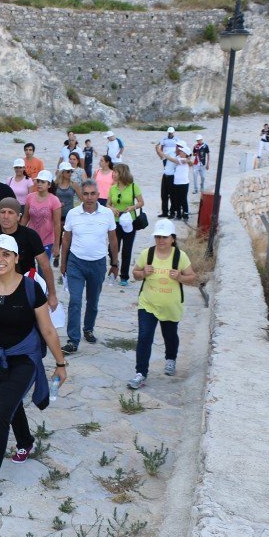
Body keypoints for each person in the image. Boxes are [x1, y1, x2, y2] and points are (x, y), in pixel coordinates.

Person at [0, 234, 67, 499]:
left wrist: (60, 363)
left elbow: (47, 329)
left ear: (16, 258)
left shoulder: (31, 289)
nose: (0, 260)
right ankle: (26, 442)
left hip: (23, 359)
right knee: (11, 403)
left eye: (6, 255)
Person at [128, 219, 197, 389]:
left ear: (172, 238)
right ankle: (140, 373)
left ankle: (170, 359)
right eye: (158, 237)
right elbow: (135, 273)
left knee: (170, 335)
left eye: (164, 237)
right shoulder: (147, 254)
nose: (160, 240)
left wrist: (180, 277)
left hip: (170, 306)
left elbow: (192, 277)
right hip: (148, 303)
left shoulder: (180, 257)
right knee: (144, 337)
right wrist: (143, 273)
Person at [59, 179, 118, 353]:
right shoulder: (73, 214)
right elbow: (66, 239)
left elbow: (113, 240)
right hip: (76, 262)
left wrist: (115, 263)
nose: (89, 197)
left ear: (98, 195)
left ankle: (88, 328)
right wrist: (63, 263)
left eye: (93, 194)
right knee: (75, 301)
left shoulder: (107, 214)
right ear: (81, 195)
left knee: (93, 300)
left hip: (98, 263)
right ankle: (73, 340)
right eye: (86, 193)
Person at [0, 198, 58, 311]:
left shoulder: (30, 235)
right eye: (2, 212)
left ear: (19, 217)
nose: (6, 216)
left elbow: (45, 266)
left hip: (26, 285)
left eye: (10, 212)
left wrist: (52, 294)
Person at [107, 164, 145, 287]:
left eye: (116, 172)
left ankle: (124, 276)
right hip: (115, 222)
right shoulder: (113, 188)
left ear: (122, 173)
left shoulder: (133, 187)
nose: (113, 174)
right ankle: (114, 265)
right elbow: (107, 204)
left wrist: (132, 207)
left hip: (129, 222)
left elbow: (141, 202)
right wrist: (112, 209)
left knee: (127, 249)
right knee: (112, 248)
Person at [22, 170, 62, 260]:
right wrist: (19, 234)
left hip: (47, 241)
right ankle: (32, 274)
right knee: (31, 269)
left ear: (49, 185)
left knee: (43, 268)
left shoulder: (54, 200)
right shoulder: (30, 197)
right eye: (38, 181)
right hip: (30, 238)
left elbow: (57, 224)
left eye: (43, 182)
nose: (39, 184)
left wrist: (56, 245)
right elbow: (25, 217)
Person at [156, 141, 192, 220]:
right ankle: (170, 213)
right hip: (170, 178)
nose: (177, 148)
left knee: (178, 198)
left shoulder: (183, 158)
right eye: (177, 146)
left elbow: (189, 161)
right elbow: (163, 156)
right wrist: (158, 150)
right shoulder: (176, 155)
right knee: (168, 196)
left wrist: (188, 159)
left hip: (177, 179)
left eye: (179, 147)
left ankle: (177, 213)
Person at [53, 162, 78, 267]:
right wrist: (57, 203)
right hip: (57, 216)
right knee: (57, 237)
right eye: (68, 171)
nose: (70, 173)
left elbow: (82, 197)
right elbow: (50, 197)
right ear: (62, 173)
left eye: (71, 171)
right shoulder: (55, 185)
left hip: (70, 216)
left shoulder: (73, 184)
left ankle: (66, 259)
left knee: (68, 238)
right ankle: (57, 255)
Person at [157, 128, 178, 218]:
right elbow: (160, 152)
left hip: (172, 176)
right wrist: (157, 149)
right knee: (164, 194)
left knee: (172, 195)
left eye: (171, 132)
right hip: (165, 175)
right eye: (169, 132)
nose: (170, 134)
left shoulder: (176, 158)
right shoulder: (164, 140)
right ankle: (165, 212)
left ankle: (172, 212)